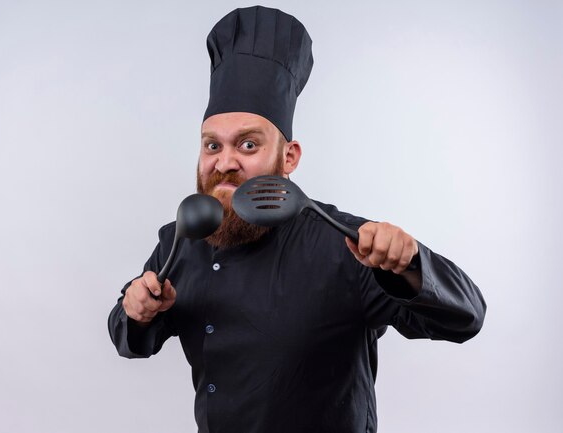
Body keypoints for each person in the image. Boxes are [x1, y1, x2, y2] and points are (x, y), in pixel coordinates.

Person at [108, 6, 486, 433]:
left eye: (248, 145)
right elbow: (128, 339)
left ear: (289, 157)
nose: (225, 162)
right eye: (212, 146)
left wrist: (411, 263)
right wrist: (135, 312)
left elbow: (466, 317)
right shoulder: (182, 240)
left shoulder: (346, 245)